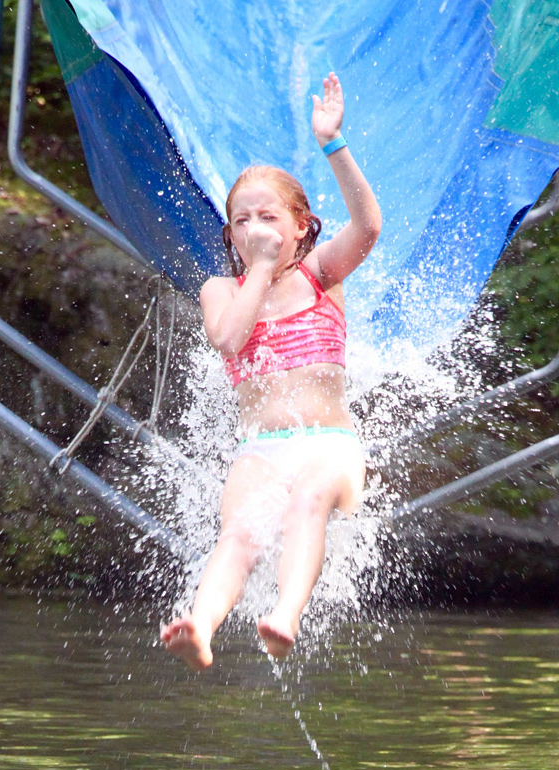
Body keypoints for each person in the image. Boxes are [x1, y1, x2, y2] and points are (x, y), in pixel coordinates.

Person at [161, 72, 381, 670]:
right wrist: (257, 270)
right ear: (230, 234)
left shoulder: (322, 277)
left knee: (308, 500)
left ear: (301, 227)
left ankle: (286, 613)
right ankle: (198, 626)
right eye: (241, 221)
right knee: (241, 533)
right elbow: (230, 342)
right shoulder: (220, 290)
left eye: (268, 218)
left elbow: (368, 228)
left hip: (332, 448)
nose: (255, 229)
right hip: (262, 448)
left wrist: (333, 144)